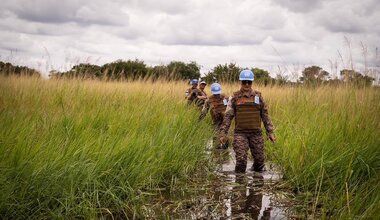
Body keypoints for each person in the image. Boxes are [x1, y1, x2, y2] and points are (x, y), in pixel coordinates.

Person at [219, 69, 276, 173]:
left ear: (252, 82)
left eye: (249, 82)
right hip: (240, 134)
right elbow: (227, 117)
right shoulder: (234, 98)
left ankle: (256, 185)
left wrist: (270, 132)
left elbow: (265, 115)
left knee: (260, 163)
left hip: (256, 134)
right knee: (241, 161)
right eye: (244, 82)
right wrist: (223, 133)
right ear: (240, 82)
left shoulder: (258, 97)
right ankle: (239, 186)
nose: (246, 84)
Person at [199, 82, 229, 148]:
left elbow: (229, 109)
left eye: (218, 93)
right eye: (215, 94)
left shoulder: (225, 98)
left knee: (225, 143)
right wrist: (199, 120)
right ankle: (216, 156)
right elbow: (204, 112)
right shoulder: (209, 100)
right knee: (216, 144)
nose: (216, 95)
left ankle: (225, 156)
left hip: (225, 123)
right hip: (215, 123)